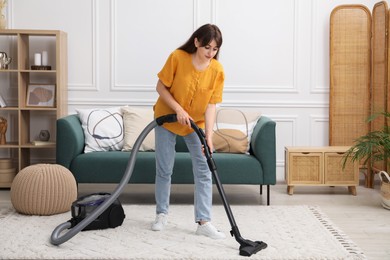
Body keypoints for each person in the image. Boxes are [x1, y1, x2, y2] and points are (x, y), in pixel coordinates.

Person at [152, 24, 225, 239]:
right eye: (207, 48)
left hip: (197, 123)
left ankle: (203, 221)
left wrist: (209, 136)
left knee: (204, 169)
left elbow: (211, 105)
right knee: (165, 168)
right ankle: (161, 214)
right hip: (167, 117)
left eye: (215, 49)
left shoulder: (217, 71)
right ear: (196, 42)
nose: (210, 54)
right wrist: (178, 109)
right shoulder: (177, 57)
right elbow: (160, 86)